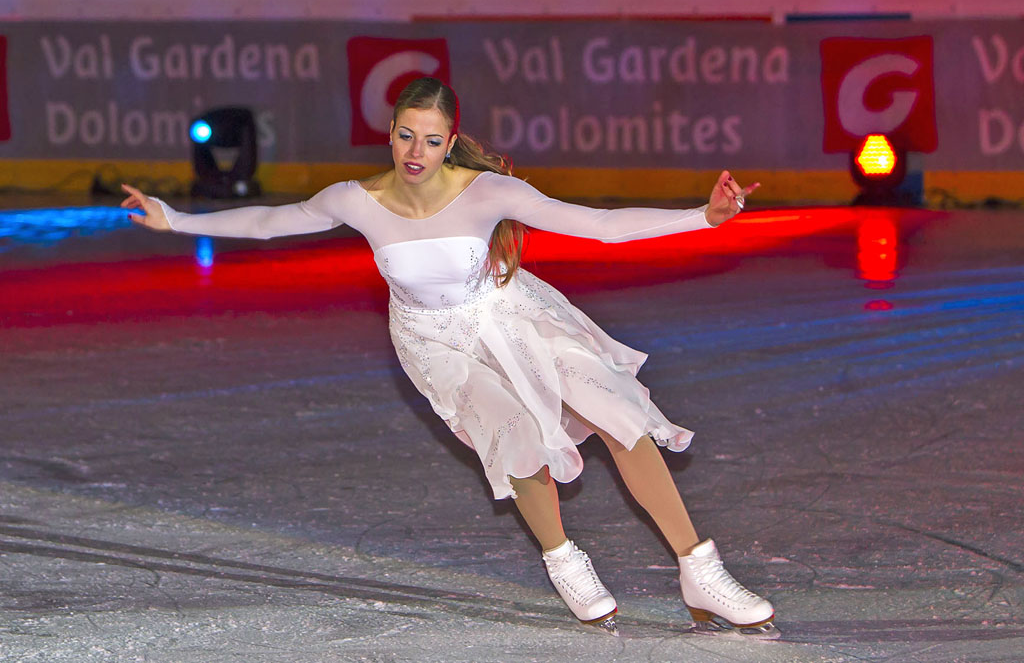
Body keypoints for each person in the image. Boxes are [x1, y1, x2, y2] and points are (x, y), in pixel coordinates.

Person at [123, 76, 774, 637]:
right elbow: (270, 221)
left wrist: (705, 217)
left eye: (432, 140)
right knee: (514, 434)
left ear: (450, 139)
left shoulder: (487, 192)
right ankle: (561, 557)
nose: (417, 152)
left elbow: (600, 226)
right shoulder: (357, 199)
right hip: (433, 342)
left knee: (618, 412)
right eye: (408, 136)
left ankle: (701, 570)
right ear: (391, 132)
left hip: (508, 313)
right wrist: (173, 219)